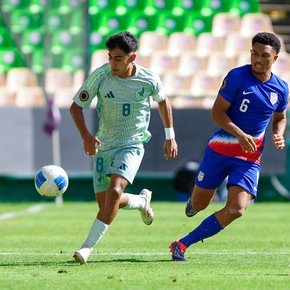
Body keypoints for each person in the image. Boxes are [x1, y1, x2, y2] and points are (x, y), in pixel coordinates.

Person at [169, 32, 288, 261]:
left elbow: (280, 117)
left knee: (237, 208)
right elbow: (217, 112)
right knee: (199, 204)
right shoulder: (237, 77)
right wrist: (241, 134)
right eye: (254, 53)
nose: (257, 60)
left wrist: (278, 134)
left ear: (275, 58)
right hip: (220, 150)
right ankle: (193, 201)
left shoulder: (281, 88)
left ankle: (183, 244)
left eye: (264, 55)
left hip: (249, 157)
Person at [70, 31, 178, 264]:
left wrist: (170, 136)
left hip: (131, 143)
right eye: (110, 57)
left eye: (118, 58)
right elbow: (76, 107)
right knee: (107, 204)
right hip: (103, 145)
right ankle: (140, 202)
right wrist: (87, 137)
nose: (112, 62)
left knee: (115, 192)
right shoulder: (100, 76)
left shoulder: (148, 78)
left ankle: (87, 248)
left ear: (132, 58)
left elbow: (162, 100)